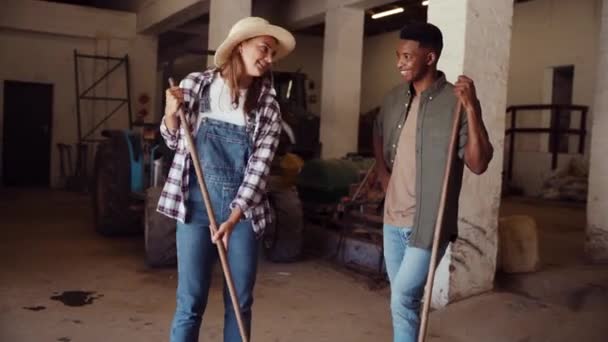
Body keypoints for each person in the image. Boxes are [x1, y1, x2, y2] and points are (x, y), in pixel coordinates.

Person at [157, 17, 295, 342]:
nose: (269, 58)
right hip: (193, 208)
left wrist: (233, 218)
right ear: (240, 46)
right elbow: (175, 142)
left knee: (239, 301)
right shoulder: (196, 85)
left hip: (243, 214)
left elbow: (259, 171)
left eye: (272, 52)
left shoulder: (267, 107)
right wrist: (170, 112)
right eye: (264, 48)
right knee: (190, 301)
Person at [373, 22, 493, 342]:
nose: (399, 62)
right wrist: (384, 176)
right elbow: (378, 131)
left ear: (430, 57)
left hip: (429, 223)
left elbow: (479, 163)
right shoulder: (394, 98)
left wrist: (472, 107)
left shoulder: (454, 103)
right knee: (404, 301)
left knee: (402, 297)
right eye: (398, 55)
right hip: (392, 220)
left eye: (407, 56)